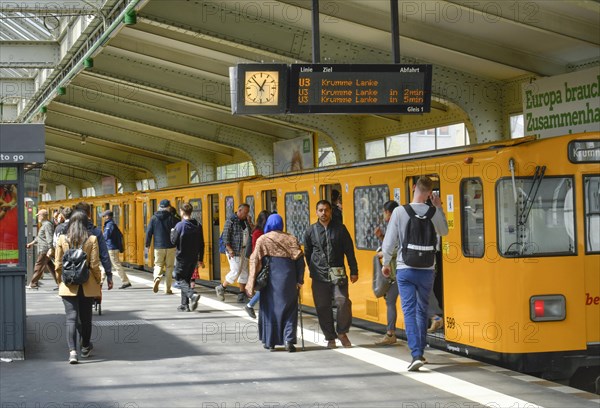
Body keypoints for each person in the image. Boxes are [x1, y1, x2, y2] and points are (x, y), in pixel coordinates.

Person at [381, 176, 448, 371]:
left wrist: (386, 263)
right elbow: (444, 231)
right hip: (427, 270)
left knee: (409, 310)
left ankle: (416, 354)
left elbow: (390, 241)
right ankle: (420, 352)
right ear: (429, 193)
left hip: (405, 268)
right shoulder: (433, 211)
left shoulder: (400, 211)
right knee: (421, 310)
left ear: (413, 188)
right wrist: (439, 207)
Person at [303, 200, 358, 349]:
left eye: (326, 210)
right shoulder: (310, 231)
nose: (323, 213)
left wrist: (354, 270)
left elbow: (349, 250)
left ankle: (342, 332)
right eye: (320, 210)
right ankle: (330, 337)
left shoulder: (340, 229)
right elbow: (307, 253)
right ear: (316, 212)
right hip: (319, 276)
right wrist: (313, 269)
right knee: (322, 306)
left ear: (330, 211)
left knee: (343, 301)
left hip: (338, 273)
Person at [247, 214, 305, 352]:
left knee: (269, 309)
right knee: (290, 309)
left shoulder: (263, 239)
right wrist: (299, 280)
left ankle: (270, 341)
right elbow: (300, 260)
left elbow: (254, 260)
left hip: (270, 279)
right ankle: (288, 340)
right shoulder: (291, 238)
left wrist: (251, 282)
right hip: (288, 278)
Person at [55, 211, 102, 364]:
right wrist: (98, 282)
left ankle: (72, 352)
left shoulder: (62, 239)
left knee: (71, 318)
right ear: (85, 223)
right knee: (86, 318)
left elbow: (58, 264)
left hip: (68, 284)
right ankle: (85, 347)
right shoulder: (92, 239)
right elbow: (94, 265)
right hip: (87, 284)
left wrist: (60, 282)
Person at [373, 200, 400, 345]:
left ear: (388, 212)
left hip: (397, 273)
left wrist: (384, 254)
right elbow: (390, 245)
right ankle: (390, 333)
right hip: (398, 272)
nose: (384, 214)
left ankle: (434, 317)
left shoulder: (395, 225)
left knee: (391, 301)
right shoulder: (397, 224)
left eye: (384, 212)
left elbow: (397, 248)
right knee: (391, 300)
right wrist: (381, 237)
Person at [215, 203, 253, 303]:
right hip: (234, 250)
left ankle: (241, 294)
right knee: (235, 270)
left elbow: (252, 232)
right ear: (239, 211)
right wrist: (229, 249)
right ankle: (222, 287)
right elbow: (225, 236)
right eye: (245, 212)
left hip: (245, 249)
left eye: (247, 212)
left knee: (244, 271)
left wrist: (250, 222)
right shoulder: (231, 220)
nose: (246, 214)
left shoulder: (246, 221)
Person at [171, 203, 205, 312]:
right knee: (186, 280)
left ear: (181, 211)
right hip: (193, 258)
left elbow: (173, 241)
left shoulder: (179, 226)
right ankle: (184, 305)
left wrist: (172, 232)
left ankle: (192, 295)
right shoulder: (198, 225)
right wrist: (200, 259)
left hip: (182, 257)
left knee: (178, 277)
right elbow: (202, 243)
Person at [74, 202, 113, 290]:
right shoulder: (96, 232)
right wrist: (109, 275)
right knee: (90, 300)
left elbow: (59, 260)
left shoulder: (67, 232)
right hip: (90, 276)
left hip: (70, 276)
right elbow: (104, 255)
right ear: (89, 214)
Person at [145, 199, 178, 294]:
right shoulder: (172, 218)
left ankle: (157, 278)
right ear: (168, 207)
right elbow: (177, 230)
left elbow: (149, 232)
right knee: (169, 267)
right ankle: (167, 289)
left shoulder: (153, 218)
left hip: (158, 247)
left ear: (160, 207)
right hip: (170, 246)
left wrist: (147, 244)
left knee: (158, 264)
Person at [244, 210, 270, 319]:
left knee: (265, 286)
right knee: (264, 285)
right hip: (260, 262)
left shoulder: (259, 231)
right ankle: (250, 305)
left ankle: (250, 305)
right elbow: (257, 249)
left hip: (264, 261)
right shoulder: (258, 232)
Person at [26, 209, 58, 289]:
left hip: (44, 250)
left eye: (39, 215)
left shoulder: (47, 225)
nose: (38, 217)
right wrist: (31, 243)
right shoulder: (44, 225)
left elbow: (49, 237)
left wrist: (51, 248)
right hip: (45, 249)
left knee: (38, 266)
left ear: (43, 216)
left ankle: (33, 284)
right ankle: (60, 283)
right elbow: (39, 237)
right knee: (52, 267)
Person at [101, 210, 132, 289]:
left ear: (108, 216)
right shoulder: (112, 224)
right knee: (107, 265)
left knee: (116, 265)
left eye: (104, 216)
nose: (103, 218)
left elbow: (105, 236)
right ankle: (100, 282)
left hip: (111, 248)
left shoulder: (109, 225)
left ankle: (126, 281)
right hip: (111, 247)